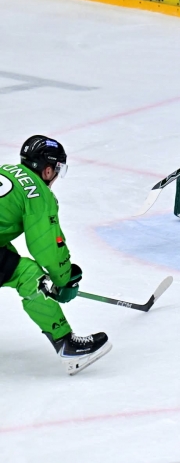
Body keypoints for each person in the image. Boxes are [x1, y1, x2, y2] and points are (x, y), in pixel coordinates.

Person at [0, 136, 111, 375]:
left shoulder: (6, 171)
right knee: (29, 277)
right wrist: (63, 278)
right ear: (48, 169)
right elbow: (46, 247)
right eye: (58, 169)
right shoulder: (37, 193)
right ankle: (67, 345)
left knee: (10, 264)